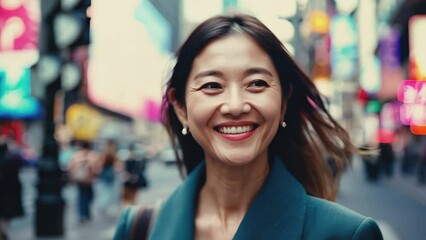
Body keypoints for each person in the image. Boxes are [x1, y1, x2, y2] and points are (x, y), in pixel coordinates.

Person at [115, 14, 383, 239]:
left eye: (256, 83)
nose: (234, 105)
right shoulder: (138, 229)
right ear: (181, 108)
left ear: (284, 102)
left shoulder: (345, 234)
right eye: (212, 86)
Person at [68, 140, 99, 223]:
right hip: (88, 180)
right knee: (88, 196)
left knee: (81, 196)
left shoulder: (76, 155)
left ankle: (83, 214)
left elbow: (70, 167)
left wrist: (72, 177)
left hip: (80, 179)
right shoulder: (92, 155)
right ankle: (85, 213)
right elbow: (95, 169)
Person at [0, 137, 24, 240]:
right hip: (8, 195)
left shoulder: (11, 161)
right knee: (5, 216)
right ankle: (3, 232)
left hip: (5, 194)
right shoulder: (11, 161)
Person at [96, 138, 123, 217]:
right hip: (111, 173)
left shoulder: (104, 152)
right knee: (109, 190)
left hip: (105, 172)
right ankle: (105, 205)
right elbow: (118, 164)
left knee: (104, 189)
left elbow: (101, 163)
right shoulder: (113, 152)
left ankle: (103, 205)